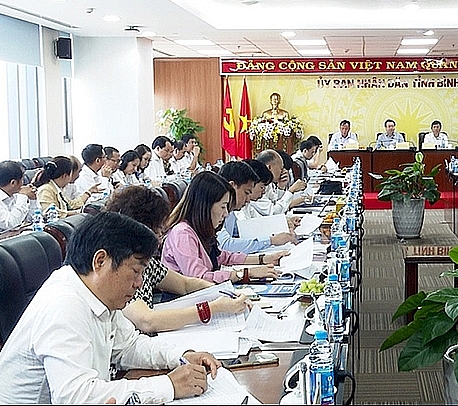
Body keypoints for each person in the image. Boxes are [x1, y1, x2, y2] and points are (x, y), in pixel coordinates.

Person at [0, 211, 220, 404]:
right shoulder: (64, 305)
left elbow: (129, 345)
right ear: (100, 261)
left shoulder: (96, 293)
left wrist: (181, 356)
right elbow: (77, 398)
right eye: (135, 271)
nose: (140, 283)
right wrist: (169, 386)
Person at [105, 186, 249, 333]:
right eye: (157, 232)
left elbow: (185, 283)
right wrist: (214, 307)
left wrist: (222, 291)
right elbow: (147, 320)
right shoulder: (119, 270)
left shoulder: (148, 264)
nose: (160, 239)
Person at [161, 171, 288, 284]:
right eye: (223, 206)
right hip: (184, 302)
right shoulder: (182, 233)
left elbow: (222, 257)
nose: (226, 213)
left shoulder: (199, 229)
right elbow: (199, 278)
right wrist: (244, 274)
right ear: (205, 206)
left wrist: (264, 259)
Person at [218, 161, 296, 254]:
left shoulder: (231, 213)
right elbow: (225, 245)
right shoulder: (215, 208)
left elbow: (246, 231)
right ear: (232, 186)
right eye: (246, 193)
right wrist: (271, 241)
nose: (248, 199)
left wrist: (282, 224)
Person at [254, 149, 306, 214]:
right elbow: (274, 212)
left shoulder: (268, 184)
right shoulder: (255, 185)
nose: (283, 171)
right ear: (269, 167)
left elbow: (277, 202)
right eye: (281, 168)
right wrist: (291, 191)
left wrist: (281, 187)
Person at [0, 160, 38, 232]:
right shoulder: (20, 196)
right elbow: (12, 224)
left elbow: (32, 219)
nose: (23, 183)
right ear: (13, 183)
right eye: (22, 179)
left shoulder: (15, 195)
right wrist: (23, 196)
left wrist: (33, 200)